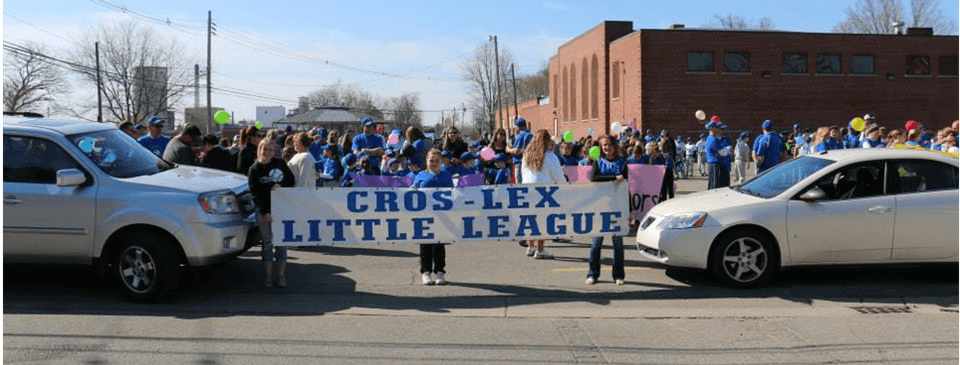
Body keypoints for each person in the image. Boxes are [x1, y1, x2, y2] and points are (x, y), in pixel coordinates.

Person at [248, 139, 295, 288]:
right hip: (263, 212)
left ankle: (281, 276)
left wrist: (280, 186)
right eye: (264, 149)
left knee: (281, 243)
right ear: (259, 150)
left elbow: (291, 181)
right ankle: (268, 277)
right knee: (268, 243)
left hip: (280, 209)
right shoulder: (254, 169)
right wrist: (264, 212)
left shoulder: (280, 163)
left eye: (270, 149)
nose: (267, 152)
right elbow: (254, 194)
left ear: (274, 151)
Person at [586, 135, 628, 285]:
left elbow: (625, 184)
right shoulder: (598, 162)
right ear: (601, 148)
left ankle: (618, 275)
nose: (607, 147)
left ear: (615, 146)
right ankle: (593, 274)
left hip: (617, 208)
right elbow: (594, 178)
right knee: (596, 244)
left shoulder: (622, 163)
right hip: (600, 208)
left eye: (609, 145)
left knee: (618, 245)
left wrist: (628, 210)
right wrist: (613, 179)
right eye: (604, 145)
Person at [520, 130, 565, 259]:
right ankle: (540, 248)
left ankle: (531, 246)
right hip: (544, 191)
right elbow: (559, 177)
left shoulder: (526, 155)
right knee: (543, 220)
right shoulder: (550, 156)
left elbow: (523, 174)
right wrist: (564, 185)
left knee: (531, 218)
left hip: (527, 189)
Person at [411, 149, 454, 285]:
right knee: (426, 245)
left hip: (442, 215)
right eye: (431, 161)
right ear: (426, 161)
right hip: (424, 215)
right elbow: (411, 192)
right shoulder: (420, 176)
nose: (434, 163)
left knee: (439, 244)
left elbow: (453, 194)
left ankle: (440, 272)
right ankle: (426, 272)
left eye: (436, 161)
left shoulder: (446, 176)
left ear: (441, 161)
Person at [705, 118, 732, 189]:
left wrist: (725, 151)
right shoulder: (712, 139)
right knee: (715, 186)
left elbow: (728, 149)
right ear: (712, 128)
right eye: (719, 128)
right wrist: (725, 151)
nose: (721, 130)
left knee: (724, 186)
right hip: (715, 165)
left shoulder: (724, 138)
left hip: (724, 165)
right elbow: (722, 153)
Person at [505, 118, 533, 183]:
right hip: (529, 163)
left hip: (520, 163)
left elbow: (517, 151)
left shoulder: (521, 136)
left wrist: (508, 149)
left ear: (518, 127)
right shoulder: (530, 134)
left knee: (520, 185)